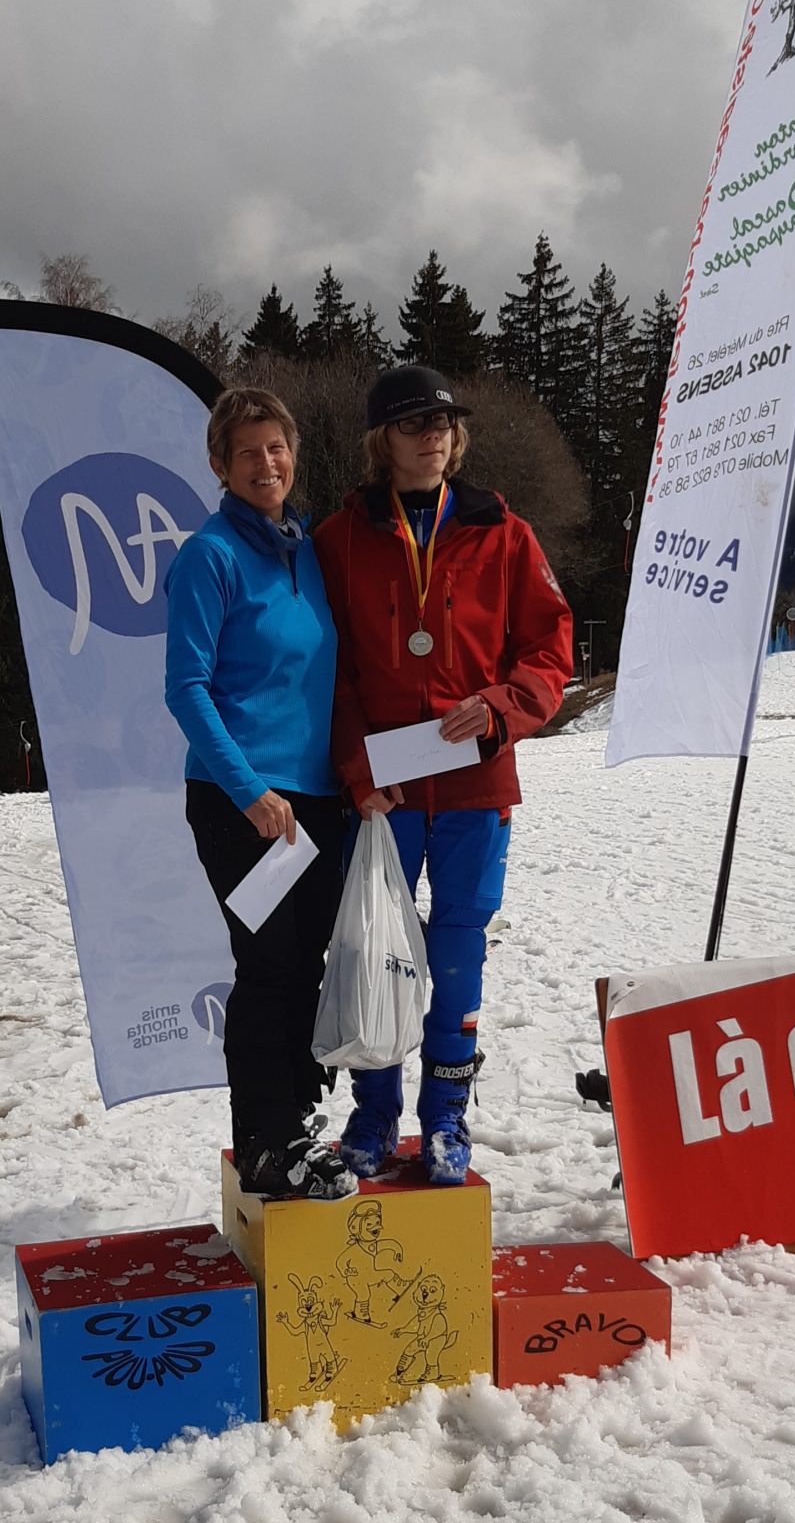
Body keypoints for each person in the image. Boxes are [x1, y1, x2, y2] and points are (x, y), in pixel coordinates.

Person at [314, 364, 573, 1184]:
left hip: (475, 786)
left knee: (458, 957)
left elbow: (551, 649)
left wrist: (500, 707)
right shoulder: (338, 539)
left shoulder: (505, 532)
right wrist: (357, 768)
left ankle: (447, 1119)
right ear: (381, 441)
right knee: (375, 953)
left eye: (444, 423)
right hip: (382, 794)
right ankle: (373, 1115)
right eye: (414, 423)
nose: (434, 435)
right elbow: (328, 670)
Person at [165, 387, 355, 1200]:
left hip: (313, 800)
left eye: (276, 447)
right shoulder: (208, 557)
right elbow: (186, 687)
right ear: (220, 465)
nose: (265, 463)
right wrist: (249, 791)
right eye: (247, 452)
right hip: (242, 803)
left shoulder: (305, 550)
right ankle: (264, 1143)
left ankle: (295, 1123)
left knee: (306, 963)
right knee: (270, 965)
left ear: (294, 453)